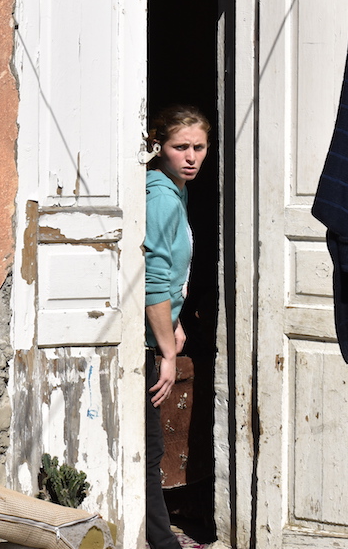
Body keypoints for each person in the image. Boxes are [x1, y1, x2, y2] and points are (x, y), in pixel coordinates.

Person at [143, 104, 210, 549]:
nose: (191, 157)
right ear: (158, 147)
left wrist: (177, 320)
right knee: (149, 449)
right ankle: (162, 542)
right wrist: (168, 353)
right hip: (143, 341)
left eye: (199, 147)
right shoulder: (163, 195)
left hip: (159, 330)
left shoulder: (176, 188)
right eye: (180, 147)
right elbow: (152, 278)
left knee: (150, 447)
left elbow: (170, 277)